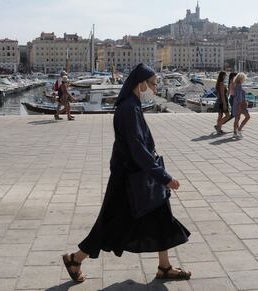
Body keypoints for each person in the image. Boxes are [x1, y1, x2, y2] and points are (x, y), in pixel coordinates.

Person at [62, 63, 191, 284]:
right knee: (110, 223)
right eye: (152, 83)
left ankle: (164, 266)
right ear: (140, 82)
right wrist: (164, 177)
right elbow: (138, 149)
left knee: (161, 215)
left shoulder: (131, 104)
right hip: (129, 178)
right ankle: (75, 259)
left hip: (137, 175)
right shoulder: (129, 108)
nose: (154, 88)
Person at [233, 73, 250, 139]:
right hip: (240, 104)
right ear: (241, 79)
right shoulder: (239, 86)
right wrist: (240, 106)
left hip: (236, 104)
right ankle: (239, 130)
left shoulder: (235, 85)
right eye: (244, 78)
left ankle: (235, 133)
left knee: (237, 119)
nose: (244, 80)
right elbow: (239, 97)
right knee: (247, 117)